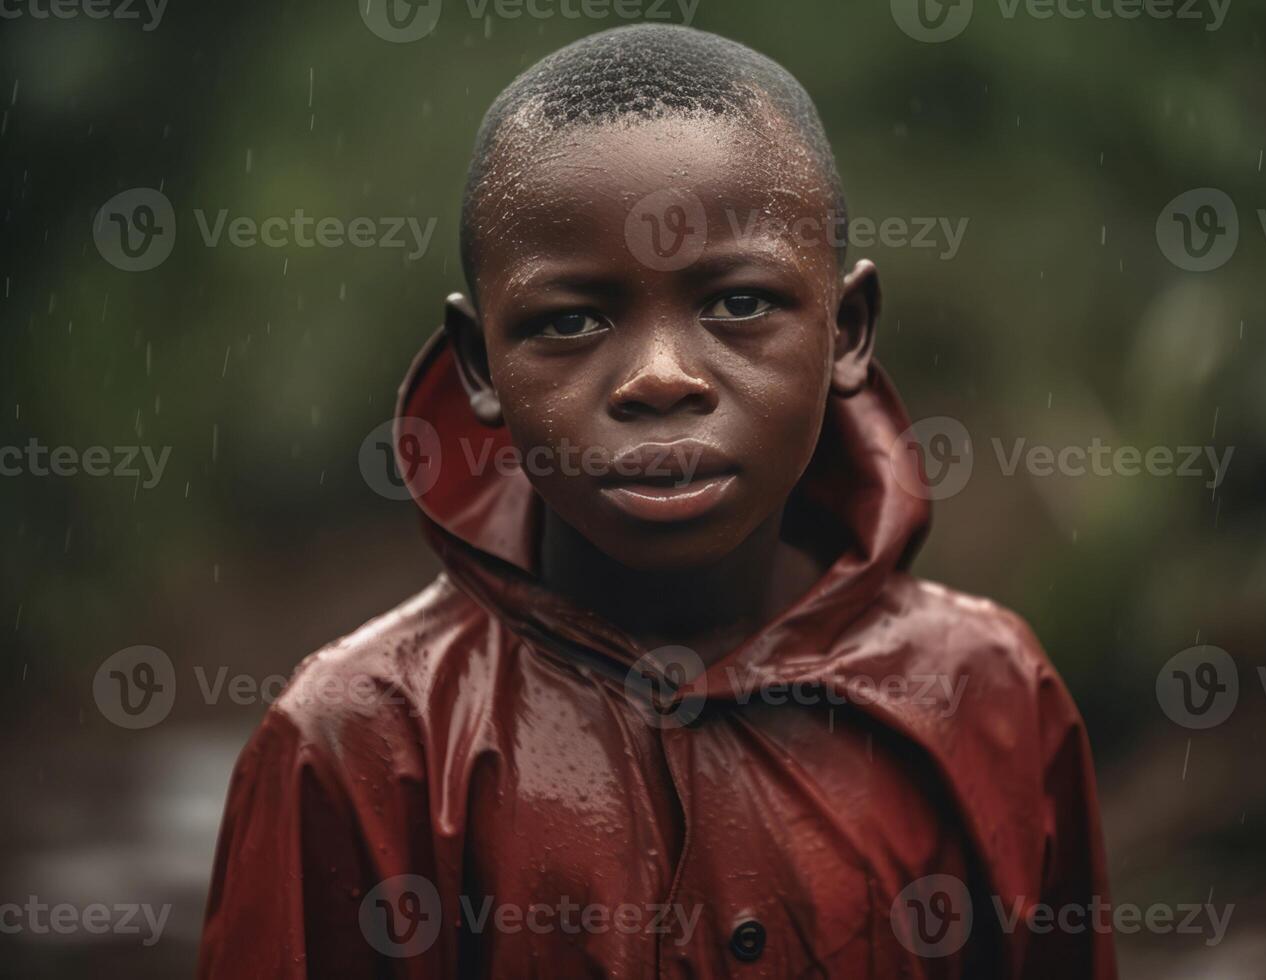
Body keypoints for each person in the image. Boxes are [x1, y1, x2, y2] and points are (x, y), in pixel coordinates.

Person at [199, 24, 1114, 979]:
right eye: (571, 321)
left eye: (739, 304)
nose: (660, 378)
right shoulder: (366, 743)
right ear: (480, 366)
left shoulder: (986, 696)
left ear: (847, 331)